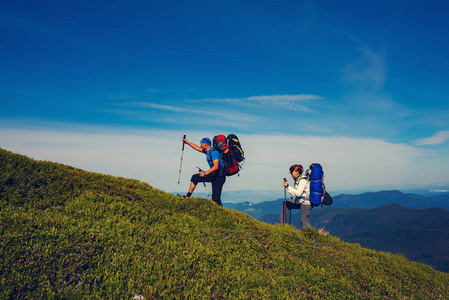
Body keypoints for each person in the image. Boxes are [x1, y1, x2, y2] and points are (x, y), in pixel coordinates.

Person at [181, 137, 226, 206]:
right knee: (195, 177)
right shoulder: (208, 151)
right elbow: (197, 148)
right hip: (213, 175)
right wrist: (187, 142)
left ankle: (222, 214)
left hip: (219, 177)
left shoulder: (214, 152)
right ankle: (187, 196)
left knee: (215, 198)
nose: (200, 145)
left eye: (201, 144)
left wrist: (205, 174)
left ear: (205, 144)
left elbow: (216, 166)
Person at [279, 164, 312, 228]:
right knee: (285, 204)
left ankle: (311, 236)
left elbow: (298, 193)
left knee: (304, 222)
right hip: (300, 201)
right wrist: (288, 187)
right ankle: (281, 225)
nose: (291, 173)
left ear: (297, 172)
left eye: (292, 171)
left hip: (306, 203)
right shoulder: (298, 180)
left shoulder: (302, 180)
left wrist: (288, 186)